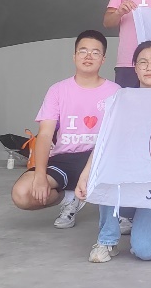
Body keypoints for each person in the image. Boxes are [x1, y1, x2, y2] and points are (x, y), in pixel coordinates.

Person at [76, 40, 151, 262]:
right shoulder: (120, 101)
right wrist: (86, 175)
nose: (149, 67)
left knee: (144, 250)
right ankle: (107, 241)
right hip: (127, 180)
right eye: (143, 62)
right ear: (135, 67)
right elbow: (105, 143)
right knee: (106, 171)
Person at [10, 30, 119, 230]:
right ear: (74, 56)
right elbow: (44, 135)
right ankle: (68, 198)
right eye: (83, 51)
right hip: (65, 159)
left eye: (95, 52)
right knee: (22, 194)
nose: (88, 56)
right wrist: (40, 176)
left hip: (99, 159)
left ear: (103, 59)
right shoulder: (58, 90)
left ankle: (121, 211)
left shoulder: (115, 92)